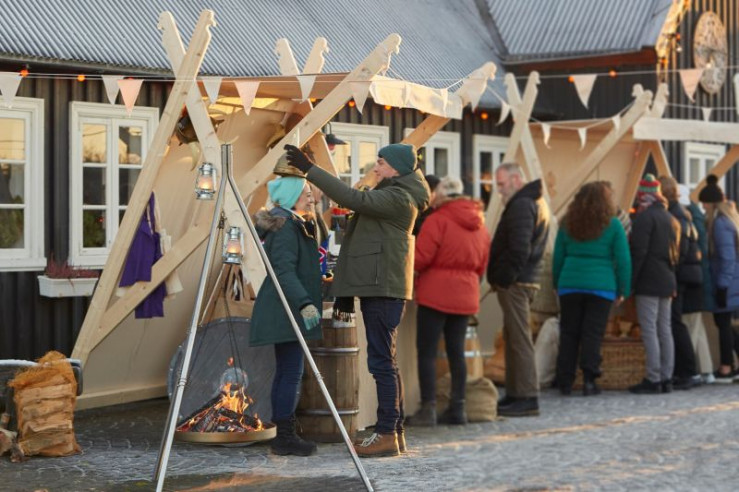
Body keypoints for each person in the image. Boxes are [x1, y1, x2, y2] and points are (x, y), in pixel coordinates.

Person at [284, 142, 429, 458]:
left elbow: (354, 198)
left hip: (383, 289)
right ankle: (395, 432)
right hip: (382, 287)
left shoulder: (399, 197)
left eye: (381, 162)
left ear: (397, 168)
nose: (376, 167)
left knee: (382, 364)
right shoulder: (396, 193)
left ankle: (386, 433)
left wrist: (309, 169)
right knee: (386, 363)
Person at [407, 176, 490, 426]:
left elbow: (420, 258)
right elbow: (483, 264)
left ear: (441, 195)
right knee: (457, 352)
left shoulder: (437, 220)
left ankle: (428, 409)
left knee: (427, 351)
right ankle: (458, 408)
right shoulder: (479, 223)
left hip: (436, 293)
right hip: (466, 294)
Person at [251, 176, 322, 456]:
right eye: (306, 193)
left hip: (286, 306)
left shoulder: (291, 222)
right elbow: (284, 270)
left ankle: (284, 433)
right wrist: (304, 303)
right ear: (292, 196)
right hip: (286, 309)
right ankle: (284, 436)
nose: (311, 198)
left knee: (287, 371)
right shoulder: (285, 227)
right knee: (291, 372)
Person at [552, 181, 631, 396]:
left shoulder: (568, 222)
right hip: (601, 286)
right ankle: (589, 380)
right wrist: (623, 289)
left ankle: (565, 380)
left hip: (570, 283)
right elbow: (623, 260)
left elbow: (558, 256)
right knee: (592, 334)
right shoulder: (613, 225)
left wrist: (556, 283)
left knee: (569, 333)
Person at [487, 162, 550, 417]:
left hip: (517, 282)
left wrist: (503, 278)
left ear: (515, 180)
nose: (499, 190)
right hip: (521, 279)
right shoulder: (531, 202)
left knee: (519, 339)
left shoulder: (523, 204)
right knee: (514, 338)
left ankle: (526, 396)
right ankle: (516, 393)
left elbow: (519, 249)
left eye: (501, 184)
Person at [628, 174, 678, 394]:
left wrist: (631, 283)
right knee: (665, 329)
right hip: (668, 279)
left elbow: (639, 253)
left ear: (643, 197)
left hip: (648, 280)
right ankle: (667, 377)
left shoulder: (644, 219)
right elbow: (676, 255)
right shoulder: (671, 219)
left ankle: (653, 378)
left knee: (649, 329)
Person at [659, 176, 701, 390]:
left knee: (675, 322)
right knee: (674, 322)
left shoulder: (675, 215)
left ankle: (688, 371)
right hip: (684, 274)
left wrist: (671, 274)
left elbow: (680, 251)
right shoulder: (680, 212)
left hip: (679, 275)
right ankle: (683, 370)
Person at [699, 175, 739, 383]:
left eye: (705, 203)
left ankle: (726, 367)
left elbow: (727, 257)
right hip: (731, 281)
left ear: (712, 204)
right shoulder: (728, 220)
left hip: (727, 282)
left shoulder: (720, 224)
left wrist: (722, 286)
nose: (703, 207)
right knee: (726, 324)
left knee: (723, 323)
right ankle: (729, 365)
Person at [679, 184, 715, 383]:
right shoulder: (697, 218)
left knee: (689, 325)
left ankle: (689, 370)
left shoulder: (689, 220)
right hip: (698, 279)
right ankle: (707, 370)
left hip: (691, 279)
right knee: (696, 326)